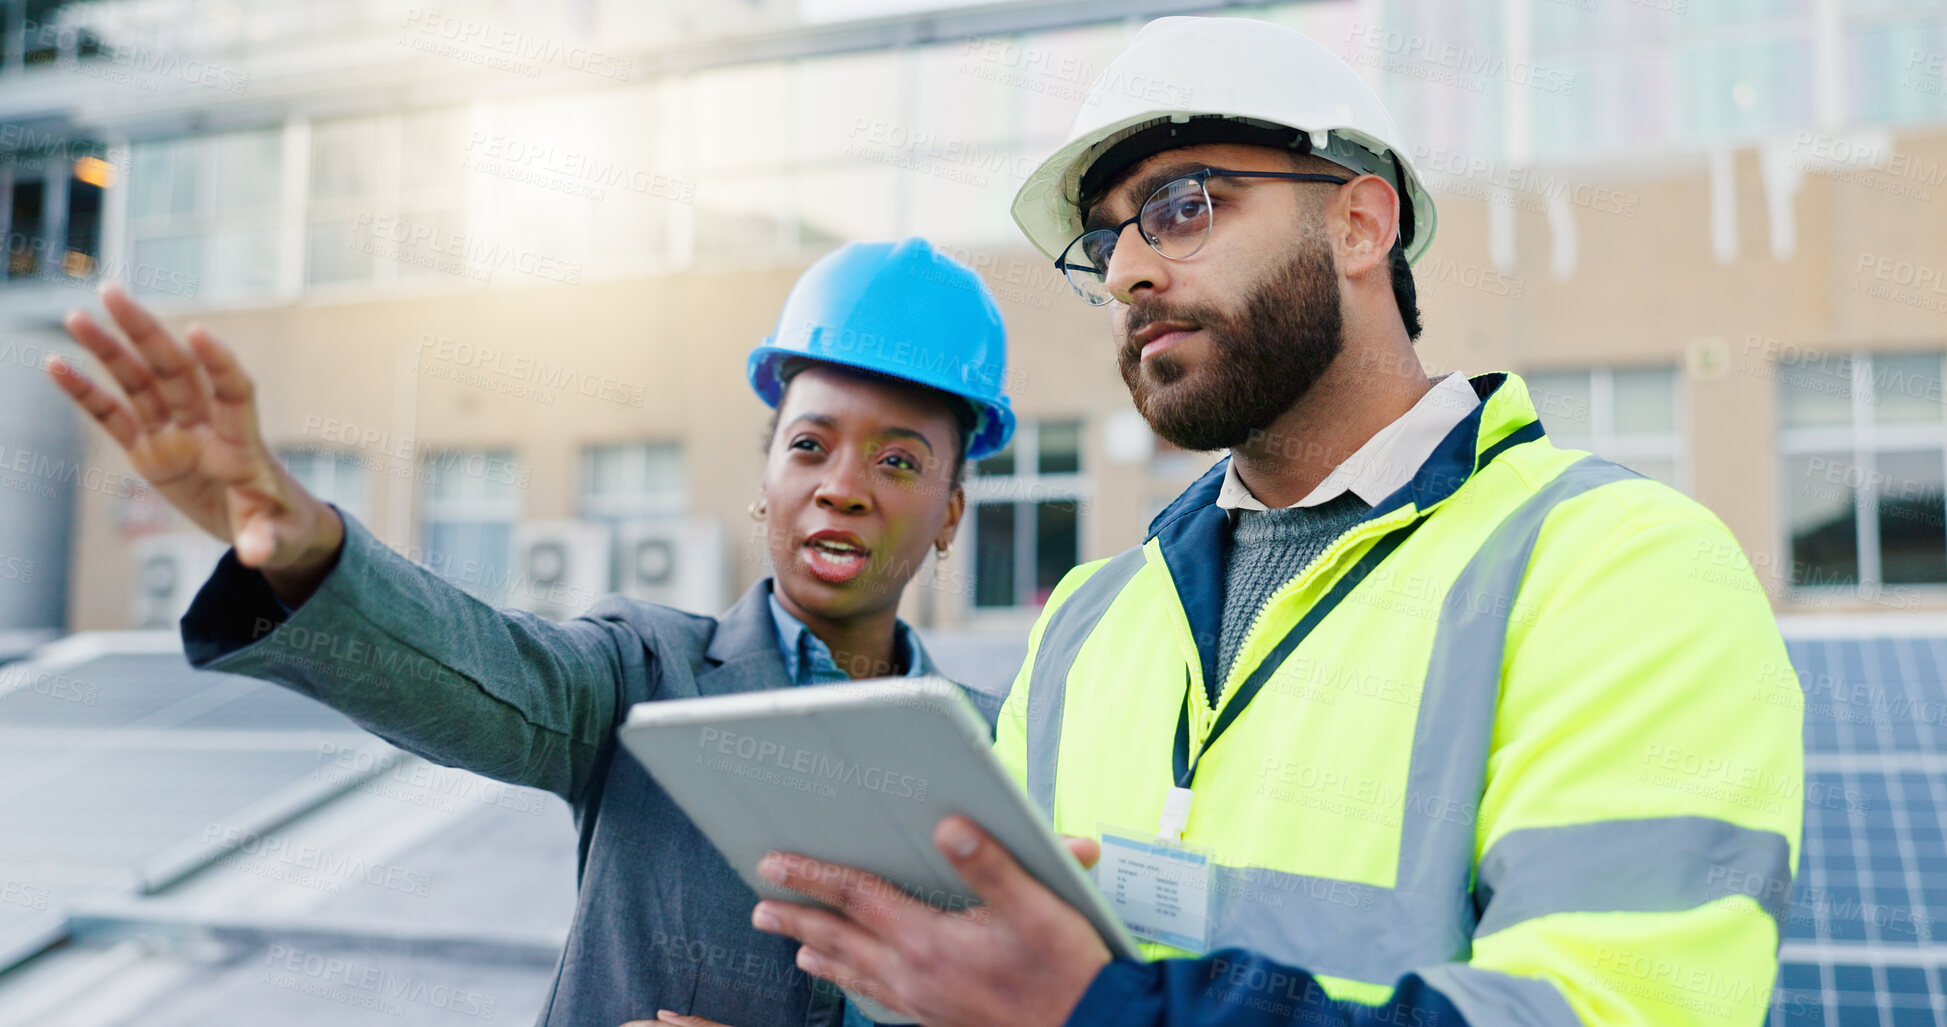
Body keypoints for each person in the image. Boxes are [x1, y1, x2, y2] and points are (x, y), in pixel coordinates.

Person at [741, 18, 1804, 1027]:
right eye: (1107, 241)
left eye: (1184, 205)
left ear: (1358, 224)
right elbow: (982, 974)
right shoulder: (1089, 622)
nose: (1127, 271)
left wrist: (1103, 1009)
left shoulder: (1620, 570)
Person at [45, 237, 1020, 1027]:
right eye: (810, 444)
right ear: (764, 484)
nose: (843, 486)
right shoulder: (647, 674)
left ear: (948, 514)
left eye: (899, 461)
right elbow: (482, 672)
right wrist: (305, 549)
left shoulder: (1011, 749)